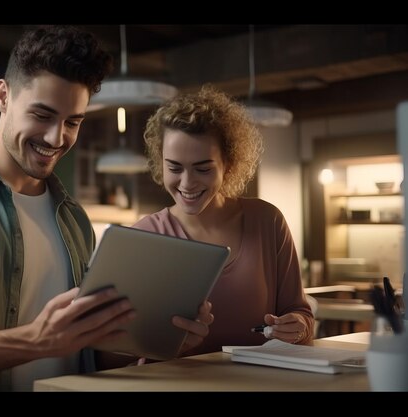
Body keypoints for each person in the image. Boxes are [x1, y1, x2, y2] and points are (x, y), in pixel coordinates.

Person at [0, 25, 213, 392]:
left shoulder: (73, 218)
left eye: (73, 122)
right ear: (3, 96)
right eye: (42, 115)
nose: (57, 137)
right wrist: (35, 340)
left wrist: (158, 339)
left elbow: (80, 354)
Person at [133, 85, 314, 355]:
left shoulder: (267, 222)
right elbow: (122, 346)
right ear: (161, 163)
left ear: (228, 164)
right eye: (174, 167)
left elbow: (301, 316)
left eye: (203, 169)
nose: (187, 183)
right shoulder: (144, 236)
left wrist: (297, 326)